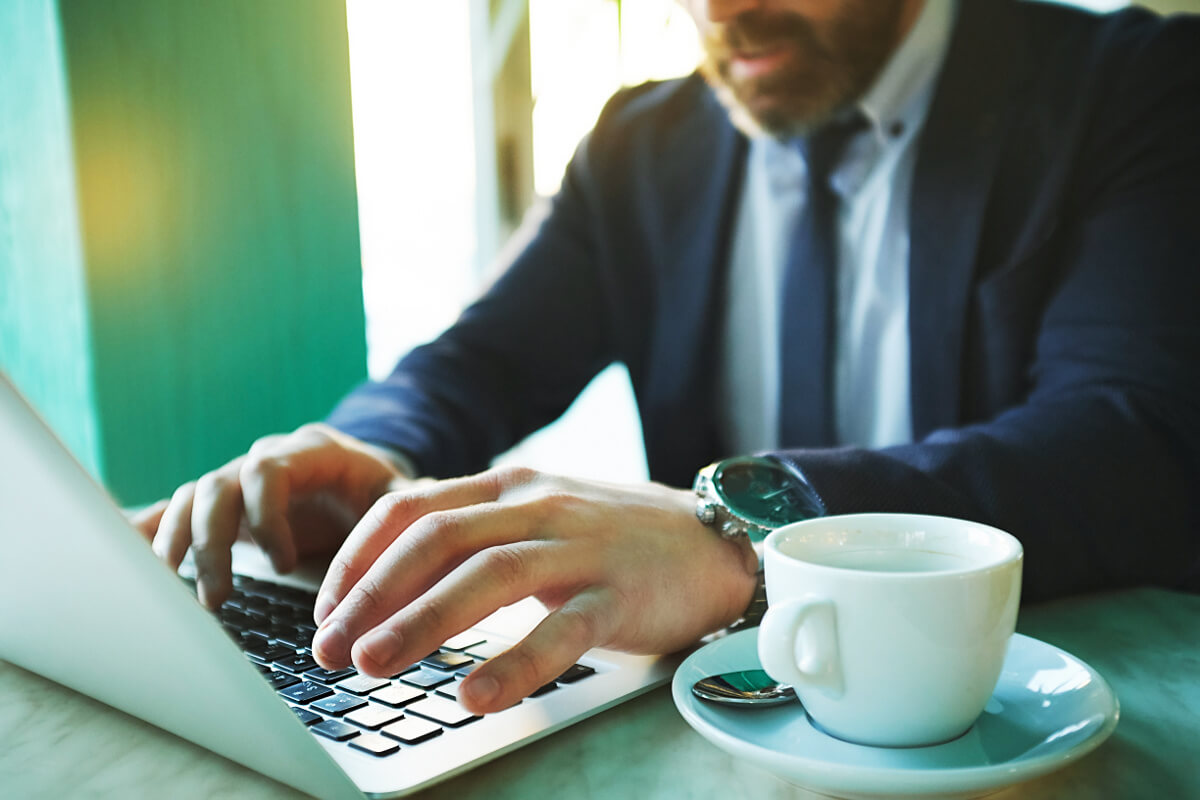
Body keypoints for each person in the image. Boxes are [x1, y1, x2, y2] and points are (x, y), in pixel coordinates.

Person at [134, 0, 1200, 716]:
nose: (718, 5)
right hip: (740, 719)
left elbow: (1131, 438)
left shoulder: (1128, 84)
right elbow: (483, 358)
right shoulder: (642, 145)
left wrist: (740, 539)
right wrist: (366, 446)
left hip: (1029, 715)